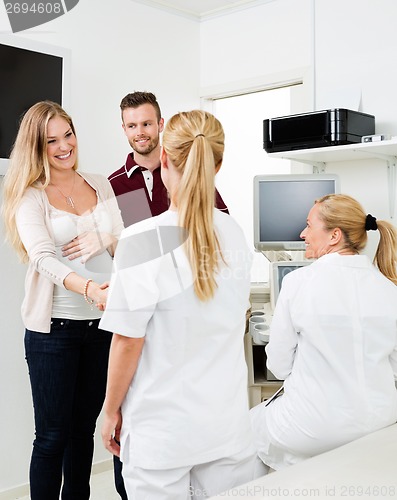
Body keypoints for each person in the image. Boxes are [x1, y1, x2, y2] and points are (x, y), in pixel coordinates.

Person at [99, 110, 258, 499]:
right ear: (217, 164)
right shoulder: (235, 234)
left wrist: (110, 410)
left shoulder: (141, 239)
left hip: (162, 435)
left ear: (165, 159)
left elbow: (127, 341)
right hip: (226, 429)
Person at [1, 101, 124, 500]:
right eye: (51, 140)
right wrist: (88, 289)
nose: (63, 146)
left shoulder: (100, 183)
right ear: (37, 147)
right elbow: (41, 257)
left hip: (102, 327)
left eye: (67, 135)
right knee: (52, 436)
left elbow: (133, 236)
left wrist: (106, 237)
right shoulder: (29, 195)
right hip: (54, 331)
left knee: (82, 431)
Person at [250, 193, 397, 472]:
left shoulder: (297, 283)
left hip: (315, 428)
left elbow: (278, 367)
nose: (303, 233)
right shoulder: (390, 290)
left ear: (334, 236)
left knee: (246, 431)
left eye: (309, 225)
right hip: (381, 423)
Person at [108, 91, 229, 227]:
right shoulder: (111, 186)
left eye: (146, 124)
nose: (140, 132)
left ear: (160, 124)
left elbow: (222, 224)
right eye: (132, 126)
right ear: (124, 129)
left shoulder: (186, 173)